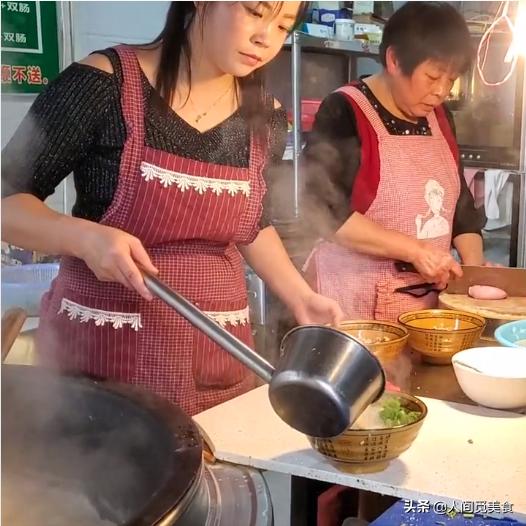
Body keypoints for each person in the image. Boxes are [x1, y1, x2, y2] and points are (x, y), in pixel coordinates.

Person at [1, 1, 344, 416]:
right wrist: (85, 237)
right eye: (255, 12)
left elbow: (253, 223)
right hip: (104, 356)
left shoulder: (266, 117)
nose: (265, 37)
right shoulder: (101, 84)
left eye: (283, 25)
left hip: (216, 356)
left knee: (215, 477)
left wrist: (301, 297)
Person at [302, 1, 487, 323]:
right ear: (394, 59)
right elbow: (326, 214)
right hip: (352, 303)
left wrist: (473, 273)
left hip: (425, 307)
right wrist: (416, 250)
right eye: (432, 76)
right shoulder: (345, 111)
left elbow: (459, 206)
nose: (442, 91)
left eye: (451, 79)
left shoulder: (439, 118)